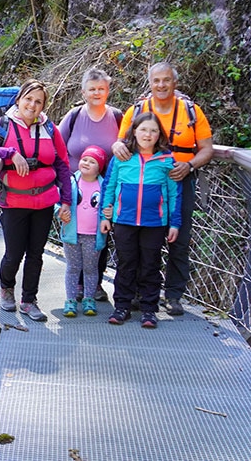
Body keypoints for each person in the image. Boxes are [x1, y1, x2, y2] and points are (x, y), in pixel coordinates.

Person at [111, 62, 213, 316]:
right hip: (141, 183)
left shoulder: (191, 111)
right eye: (156, 81)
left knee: (179, 238)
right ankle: (135, 294)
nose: (161, 85)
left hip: (180, 181)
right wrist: (115, 148)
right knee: (136, 240)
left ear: (175, 83)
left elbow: (207, 149)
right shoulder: (137, 111)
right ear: (150, 83)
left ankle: (174, 295)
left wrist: (189, 165)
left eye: (166, 80)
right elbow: (121, 143)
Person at [0, 79, 73, 322]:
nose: (32, 104)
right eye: (28, 99)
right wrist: (9, 153)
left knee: (36, 254)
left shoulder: (50, 129)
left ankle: (29, 300)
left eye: (38, 101)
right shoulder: (3, 125)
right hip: (14, 202)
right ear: (19, 100)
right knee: (14, 253)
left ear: (43, 106)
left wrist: (67, 200)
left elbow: (62, 164)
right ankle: (7, 289)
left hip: (45, 202)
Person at [101, 113, 181, 329]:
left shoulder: (166, 160)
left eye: (153, 130)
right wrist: (104, 216)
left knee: (150, 265)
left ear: (159, 135)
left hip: (154, 223)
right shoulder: (122, 158)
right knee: (126, 264)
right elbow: (109, 186)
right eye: (144, 129)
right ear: (134, 131)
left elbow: (174, 193)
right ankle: (122, 306)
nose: (148, 134)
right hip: (124, 220)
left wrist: (175, 223)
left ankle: (149, 309)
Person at [58, 67, 123, 302]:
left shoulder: (116, 117)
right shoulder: (74, 116)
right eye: (92, 89)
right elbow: (57, 147)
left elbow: (130, 147)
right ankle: (76, 284)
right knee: (75, 232)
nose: (97, 93)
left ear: (107, 90)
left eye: (101, 89)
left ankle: (94, 284)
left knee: (100, 235)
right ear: (84, 91)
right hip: (75, 189)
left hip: (106, 189)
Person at [59, 145, 108, 318]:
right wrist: (60, 212)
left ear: (99, 167)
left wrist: (107, 216)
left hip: (93, 236)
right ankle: (70, 300)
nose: (86, 163)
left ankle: (89, 298)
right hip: (72, 234)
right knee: (73, 267)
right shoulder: (70, 182)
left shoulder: (104, 186)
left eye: (92, 161)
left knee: (90, 268)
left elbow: (108, 207)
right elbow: (59, 202)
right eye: (84, 159)